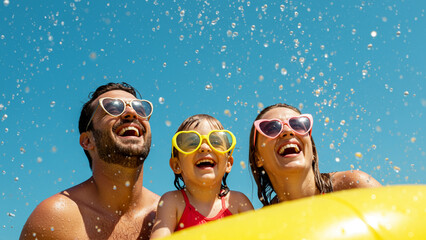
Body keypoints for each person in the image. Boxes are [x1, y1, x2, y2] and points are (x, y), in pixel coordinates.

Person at [20, 82, 160, 239]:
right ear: (87, 141)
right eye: (112, 108)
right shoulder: (56, 218)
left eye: (140, 108)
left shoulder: (169, 214)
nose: (131, 112)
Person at [249, 103, 382, 206]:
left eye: (298, 124)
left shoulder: (353, 186)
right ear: (258, 158)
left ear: (311, 149)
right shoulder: (266, 221)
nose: (288, 131)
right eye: (271, 128)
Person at [150, 114, 253, 238]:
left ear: (228, 164)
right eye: (192, 143)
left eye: (215, 142)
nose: (204, 147)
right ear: (177, 165)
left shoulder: (237, 203)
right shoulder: (173, 202)